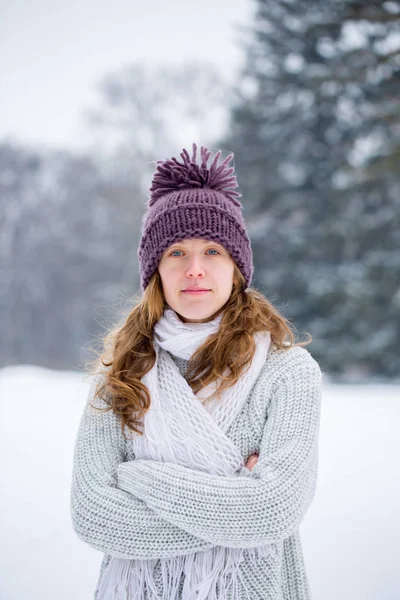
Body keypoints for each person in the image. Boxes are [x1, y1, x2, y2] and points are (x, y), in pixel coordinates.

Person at [70, 142, 323, 600]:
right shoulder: (121, 374)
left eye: (212, 251)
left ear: (236, 268)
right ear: (155, 272)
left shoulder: (288, 373)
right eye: (176, 253)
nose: (194, 270)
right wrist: (230, 502)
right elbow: (93, 515)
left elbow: (272, 511)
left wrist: (138, 477)